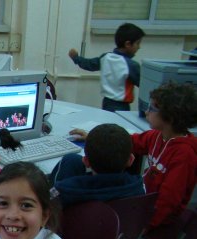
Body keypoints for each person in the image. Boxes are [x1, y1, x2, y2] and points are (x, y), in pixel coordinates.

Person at [70, 82, 197, 231]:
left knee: (95, 193)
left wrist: (140, 227)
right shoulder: (157, 136)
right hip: (141, 198)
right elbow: (127, 142)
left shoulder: (184, 155)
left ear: (170, 116)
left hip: (155, 215)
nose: (147, 111)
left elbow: (168, 201)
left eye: (152, 108)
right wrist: (92, 137)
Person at [50, 123, 145, 206]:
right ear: (131, 160)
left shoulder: (64, 190)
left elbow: (47, 203)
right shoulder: (138, 187)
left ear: (86, 161)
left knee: (71, 159)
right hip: (117, 224)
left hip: (70, 224)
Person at [68, 23, 145, 112]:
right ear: (128, 44)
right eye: (138, 43)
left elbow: (89, 64)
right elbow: (143, 85)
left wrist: (76, 58)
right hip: (122, 106)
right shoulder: (131, 65)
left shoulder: (106, 57)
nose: (139, 47)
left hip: (106, 102)